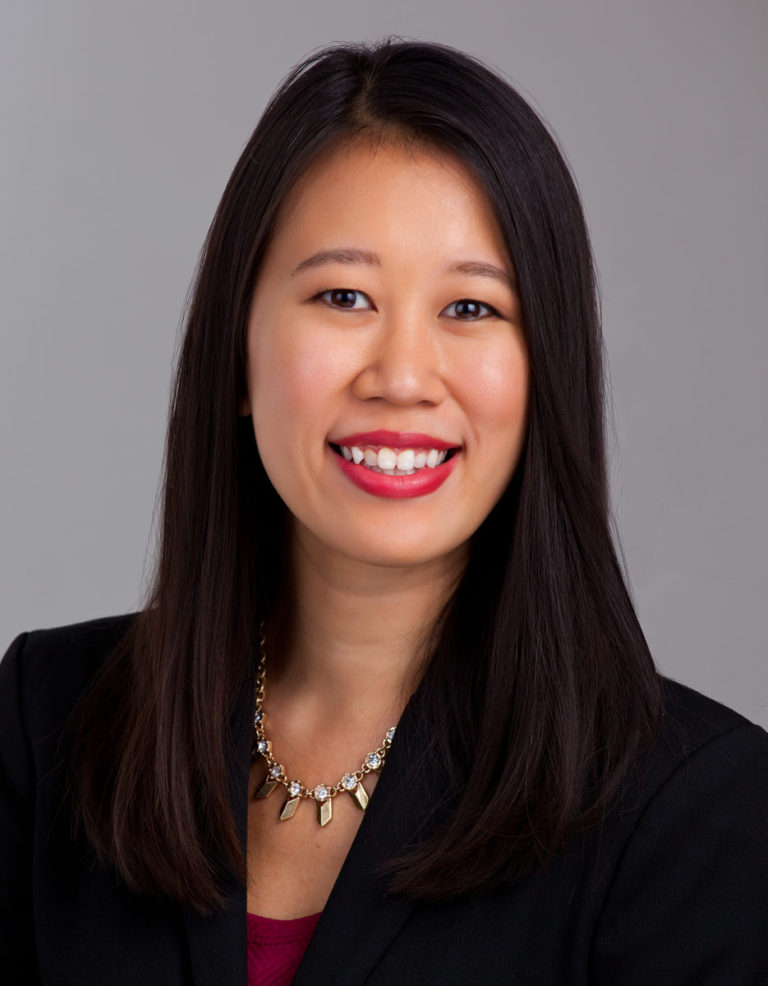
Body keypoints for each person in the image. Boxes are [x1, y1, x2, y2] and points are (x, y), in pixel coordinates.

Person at [1, 39, 766, 986]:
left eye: (473, 309)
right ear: (237, 353)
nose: (402, 377)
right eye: (344, 296)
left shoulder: (698, 813)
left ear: (547, 374)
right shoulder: (51, 721)